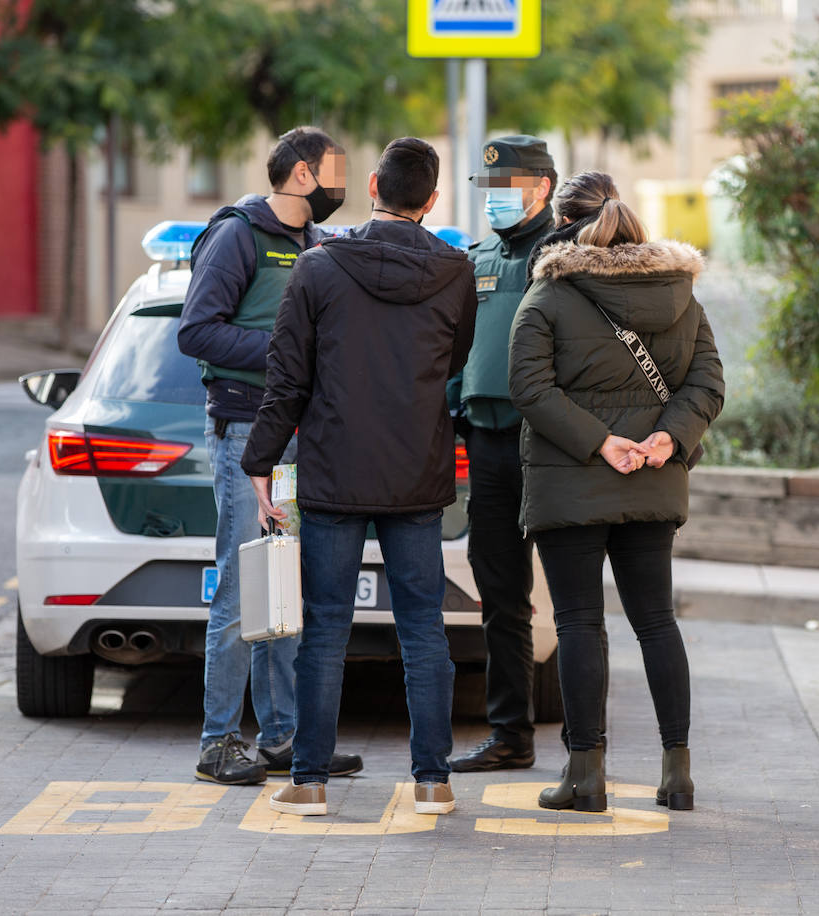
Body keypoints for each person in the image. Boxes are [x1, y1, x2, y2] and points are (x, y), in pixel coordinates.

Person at [241, 137, 478, 817]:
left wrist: (260, 461)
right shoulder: (456, 274)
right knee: (423, 630)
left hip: (334, 472)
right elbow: (451, 364)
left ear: (372, 185)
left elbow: (288, 376)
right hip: (417, 474)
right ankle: (433, 781)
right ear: (432, 200)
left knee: (324, 629)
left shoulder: (317, 269)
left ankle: (309, 780)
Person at [508, 171, 725, 812]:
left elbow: (529, 388)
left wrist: (601, 444)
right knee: (656, 621)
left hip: (570, 484)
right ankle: (678, 773)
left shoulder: (548, 295)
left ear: (564, 223)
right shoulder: (682, 294)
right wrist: (667, 439)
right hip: (654, 479)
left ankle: (585, 777)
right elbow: (708, 384)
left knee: (579, 623)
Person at [178, 126, 362, 786]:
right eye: (336, 173)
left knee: (284, 588)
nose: (342, 186)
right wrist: (289, 357)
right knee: (237, 585)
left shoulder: (317, 245)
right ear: (305, 174)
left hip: (299, 438)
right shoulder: (239, 235)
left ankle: (283, 736)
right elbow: (196, 331)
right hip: (243, 435)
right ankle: (218, 740)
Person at [446, 136, 559, 774]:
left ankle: (585, 745)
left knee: (571, 597)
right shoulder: (479, 254)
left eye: (505, 189)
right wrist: (452, 410)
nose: (492, 201)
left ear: (540, 187)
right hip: (486, 443)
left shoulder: (565, 256)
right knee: (500, 593)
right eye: (486, 189)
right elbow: (458, 348)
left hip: (548, 443)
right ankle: (510, 734)